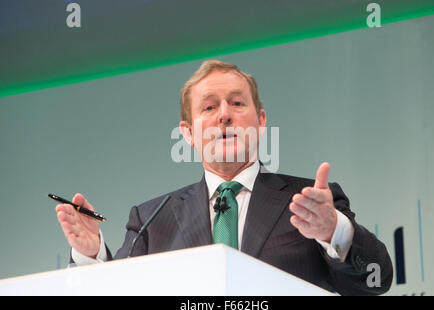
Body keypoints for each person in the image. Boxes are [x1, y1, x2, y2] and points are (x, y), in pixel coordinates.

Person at [55, 60, 393, 295]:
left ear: (261, 121)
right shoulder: (151, 219)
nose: (225, 116)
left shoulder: (310, 202)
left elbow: (375, 282)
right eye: (209, 107)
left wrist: (332, 230)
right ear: (187, 132)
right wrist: (91, 257)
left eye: (236, 103)